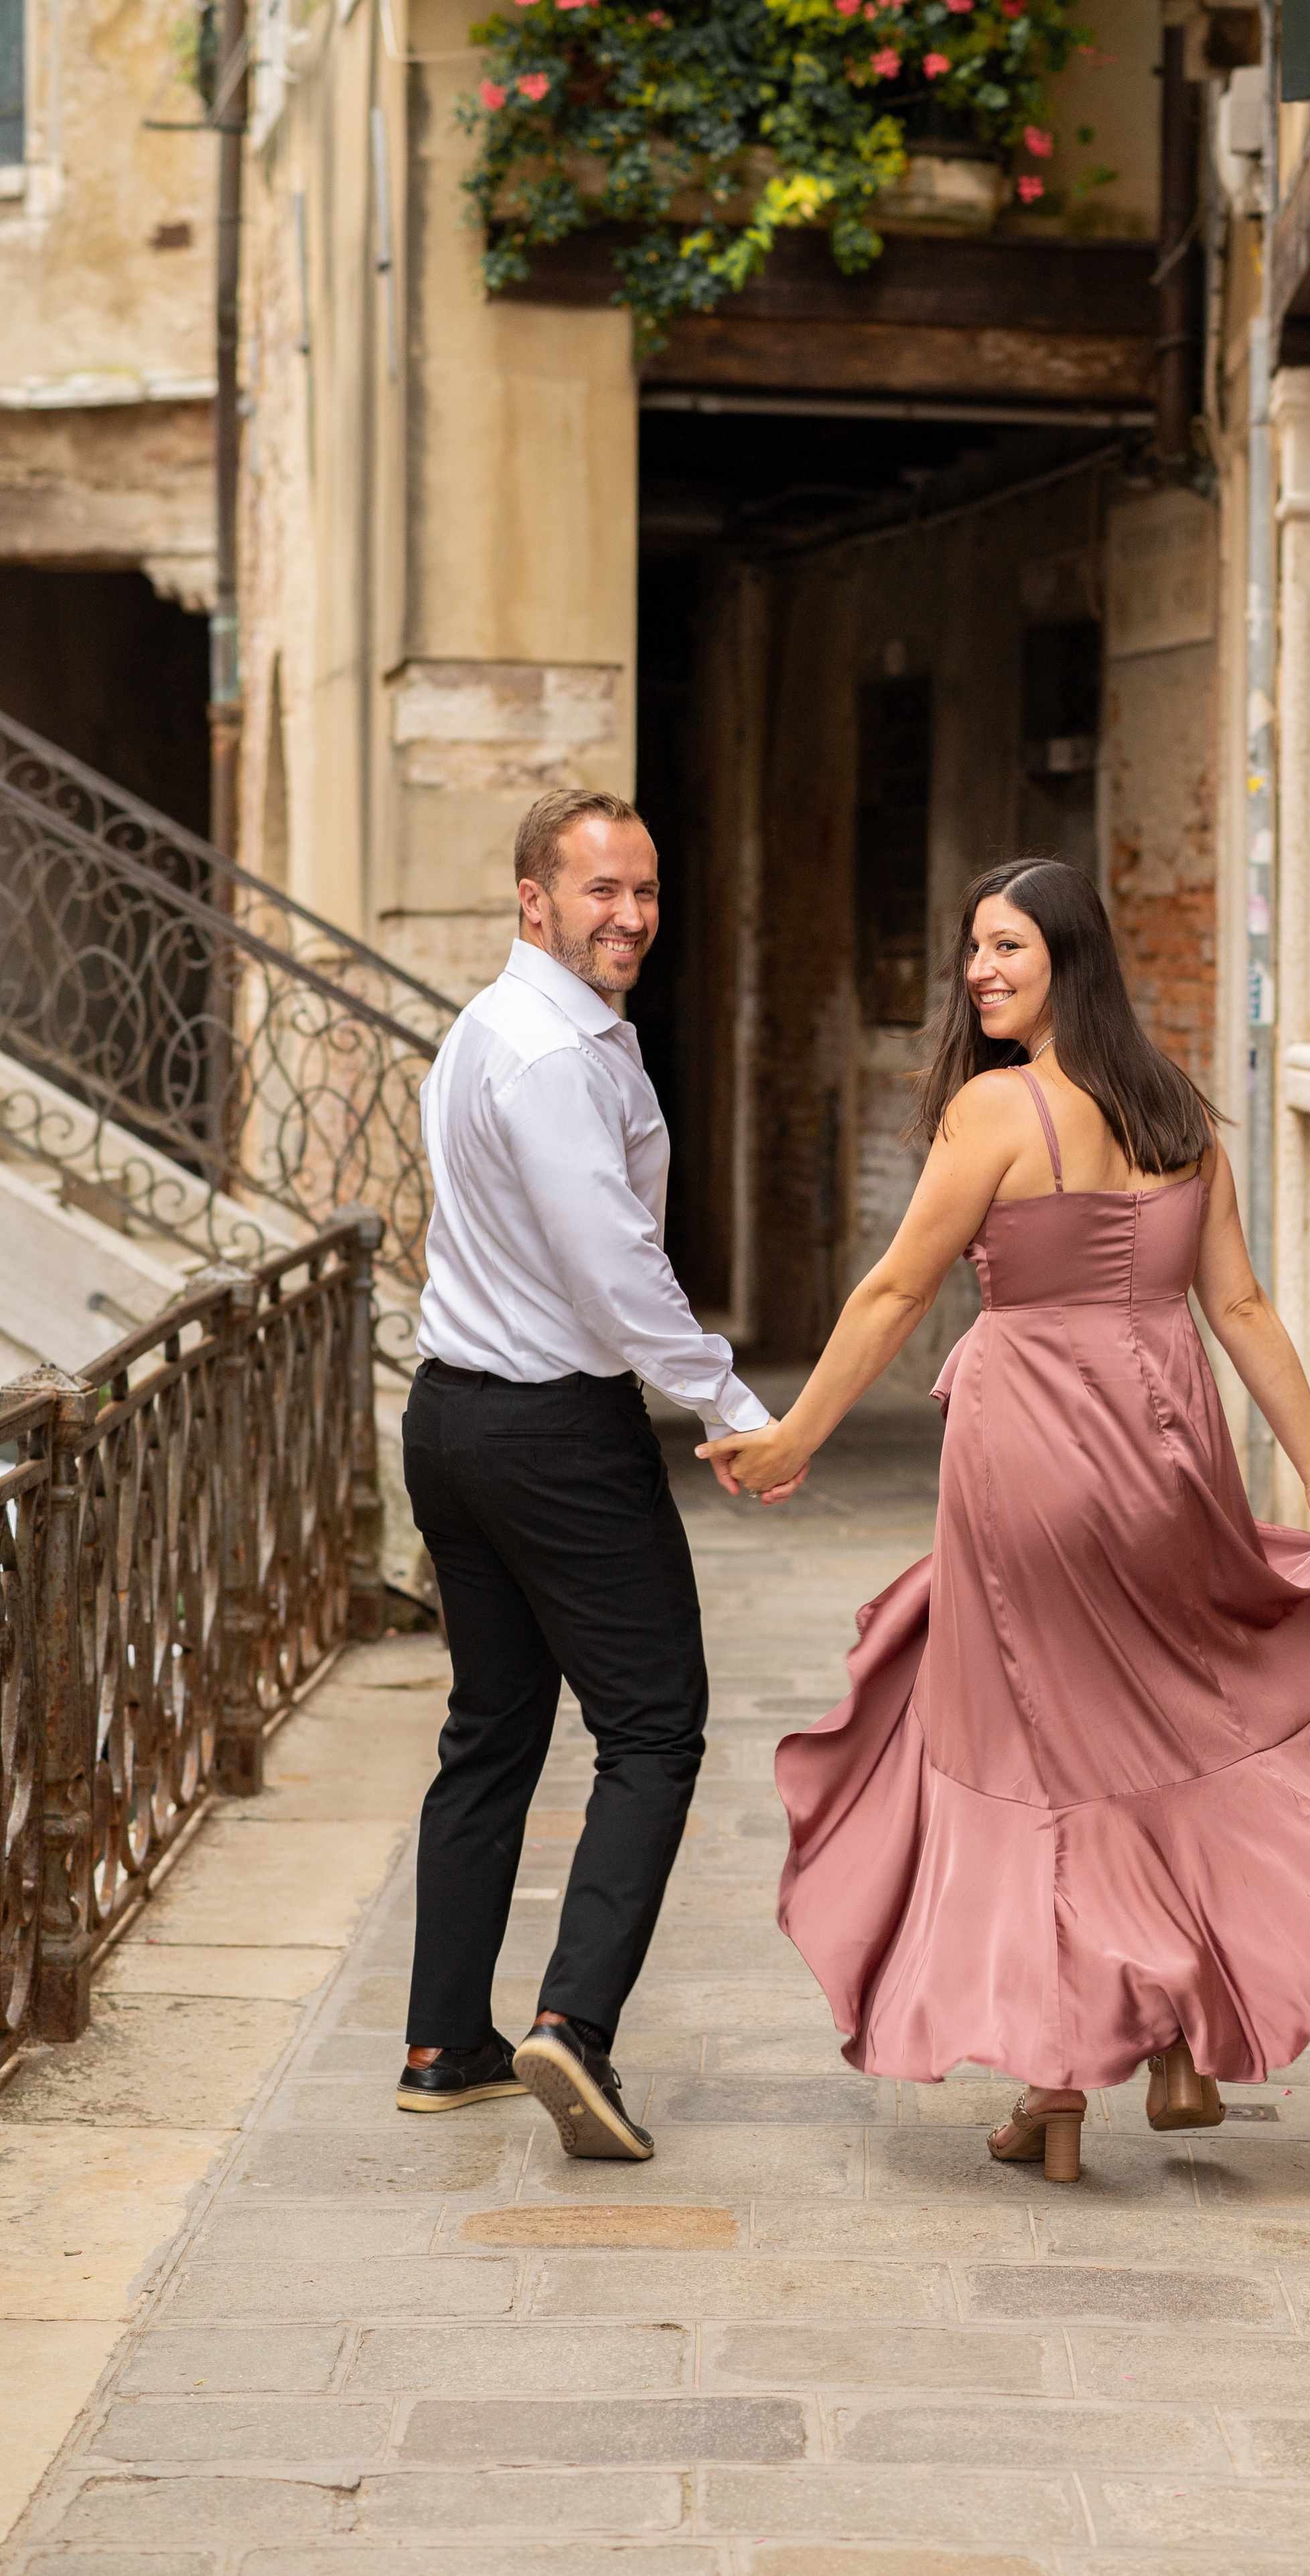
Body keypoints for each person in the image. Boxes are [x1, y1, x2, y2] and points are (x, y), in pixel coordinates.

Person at [701, 859, 1310, 2184]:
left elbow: (899, 1287)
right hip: (1168, 1453)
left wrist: (794, 1436)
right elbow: (1236, 1309)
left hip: (1031, 1455)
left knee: (1043, 1762)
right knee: (1160, 1731)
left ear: (1067, 957)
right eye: (972, 948)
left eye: (1006, 946)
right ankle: (1163, 2039)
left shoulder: (997, 1111)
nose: (978, 970)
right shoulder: (1179, 1112)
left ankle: (1064, 2078)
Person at [395, 786, 800, 2159]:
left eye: (643, 890)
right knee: (653, 1726)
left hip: (450, 1419)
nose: (628, 915)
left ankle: (445, 2042)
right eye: (598, 892)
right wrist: (733, 1405)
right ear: (533, 900)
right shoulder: (556, 1055)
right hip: (545, 1434)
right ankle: (572, 2027)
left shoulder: (487, 1029)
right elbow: (613, 1267)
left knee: (493, 1728)